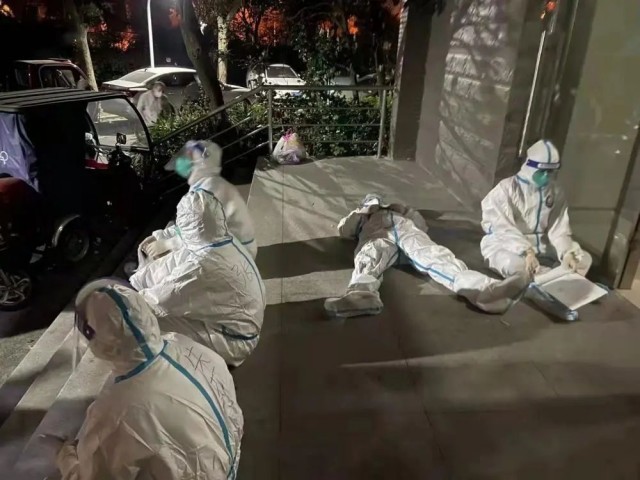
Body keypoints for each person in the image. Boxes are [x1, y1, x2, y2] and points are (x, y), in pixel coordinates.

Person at [54, 278, 243, 480]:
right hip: (229, 464)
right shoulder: (190, 346)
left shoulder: (114, 413)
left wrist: (65, 457)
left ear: (98, 340)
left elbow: (91, 476)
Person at [129, 143, 264, 366]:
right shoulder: (216, 232)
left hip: (234, 342)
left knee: (146, 321)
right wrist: (141, 278)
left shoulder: (202, 264)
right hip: (238, 316)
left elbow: (161, 299)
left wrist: (127, 299)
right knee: (175, 275)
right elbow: (194, 229)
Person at [324, 195, 529, 318]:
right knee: (369, 256)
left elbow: (422, 226)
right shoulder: (361, 215)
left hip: (406, 231)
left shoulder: (400, 211)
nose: (377, 202)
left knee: (435, 256)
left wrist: (405, 211)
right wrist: (360, 212)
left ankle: (486, 291)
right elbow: (344, 230)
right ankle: (361, 295)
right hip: (377, 234)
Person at [480, 139, 592, 279]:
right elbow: (503, 228)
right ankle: (551, 278)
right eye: (542, 171)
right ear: (529, 167)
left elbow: (558, 228)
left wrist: (566, 253)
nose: (546, 176)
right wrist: (526, 252)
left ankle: (548, 278)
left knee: (583, 259)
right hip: (507, 245)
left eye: (550, 172)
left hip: (542, 246)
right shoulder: (506, 189)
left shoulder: (555, 191)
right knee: (514, 265)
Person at [141, 140, 257, 260]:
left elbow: (198, 233)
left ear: (201, 162)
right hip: (236, 246)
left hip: (238, 253)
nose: (183, 160)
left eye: (189, 156)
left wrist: (166, 244)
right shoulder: (209, 183)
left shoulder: (208, 190)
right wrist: (163, 236)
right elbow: (192, 224)